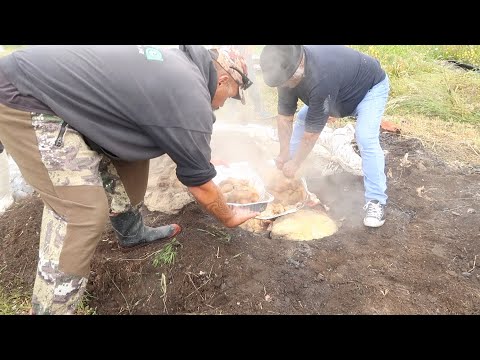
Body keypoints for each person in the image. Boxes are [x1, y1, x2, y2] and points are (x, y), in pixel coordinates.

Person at [0, 45, 259, 315]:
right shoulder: (191, 95)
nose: (222, 104)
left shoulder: (184, 71)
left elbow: (172, 130)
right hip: (28, 96)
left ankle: (131, 233)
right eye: (229, 97)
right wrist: (229, 217)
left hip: (62, 93)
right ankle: (49, 309)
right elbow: (201, 186)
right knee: (81, 213)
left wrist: (199, 159)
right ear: (223, 80)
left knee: (133, 156)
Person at [259, 45, 390, 228]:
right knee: (302, 121)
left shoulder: (321, 76)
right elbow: (284, 119)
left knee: (365, 137)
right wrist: (283, 155)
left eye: (286, 82)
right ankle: (291, 177)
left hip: (368, 90)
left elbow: (312, 134)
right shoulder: (286, 72)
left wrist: (295, 163)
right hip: (337, 92)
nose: (284, 86)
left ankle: (376, 201)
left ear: (299, 67)